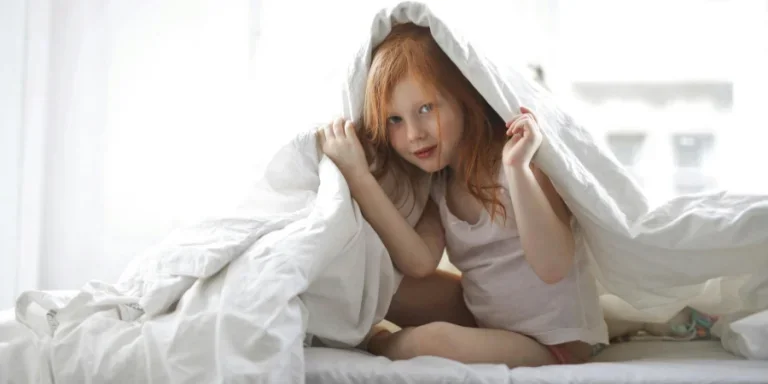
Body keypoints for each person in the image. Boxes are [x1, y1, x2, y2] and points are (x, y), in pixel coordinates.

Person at [317, 23, 607, 367]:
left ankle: (375, 342)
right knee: (377, 282)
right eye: (394, 120)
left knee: (434, 340)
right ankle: (333, 325)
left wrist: (517, 169)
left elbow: (553, 266)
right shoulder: (437, 186)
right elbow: (419, 262)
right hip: (485, 318)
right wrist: (358, 176)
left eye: (426, 109)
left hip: (550, 344)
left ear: (464, 98)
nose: (413, 134)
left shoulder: (519, 163)